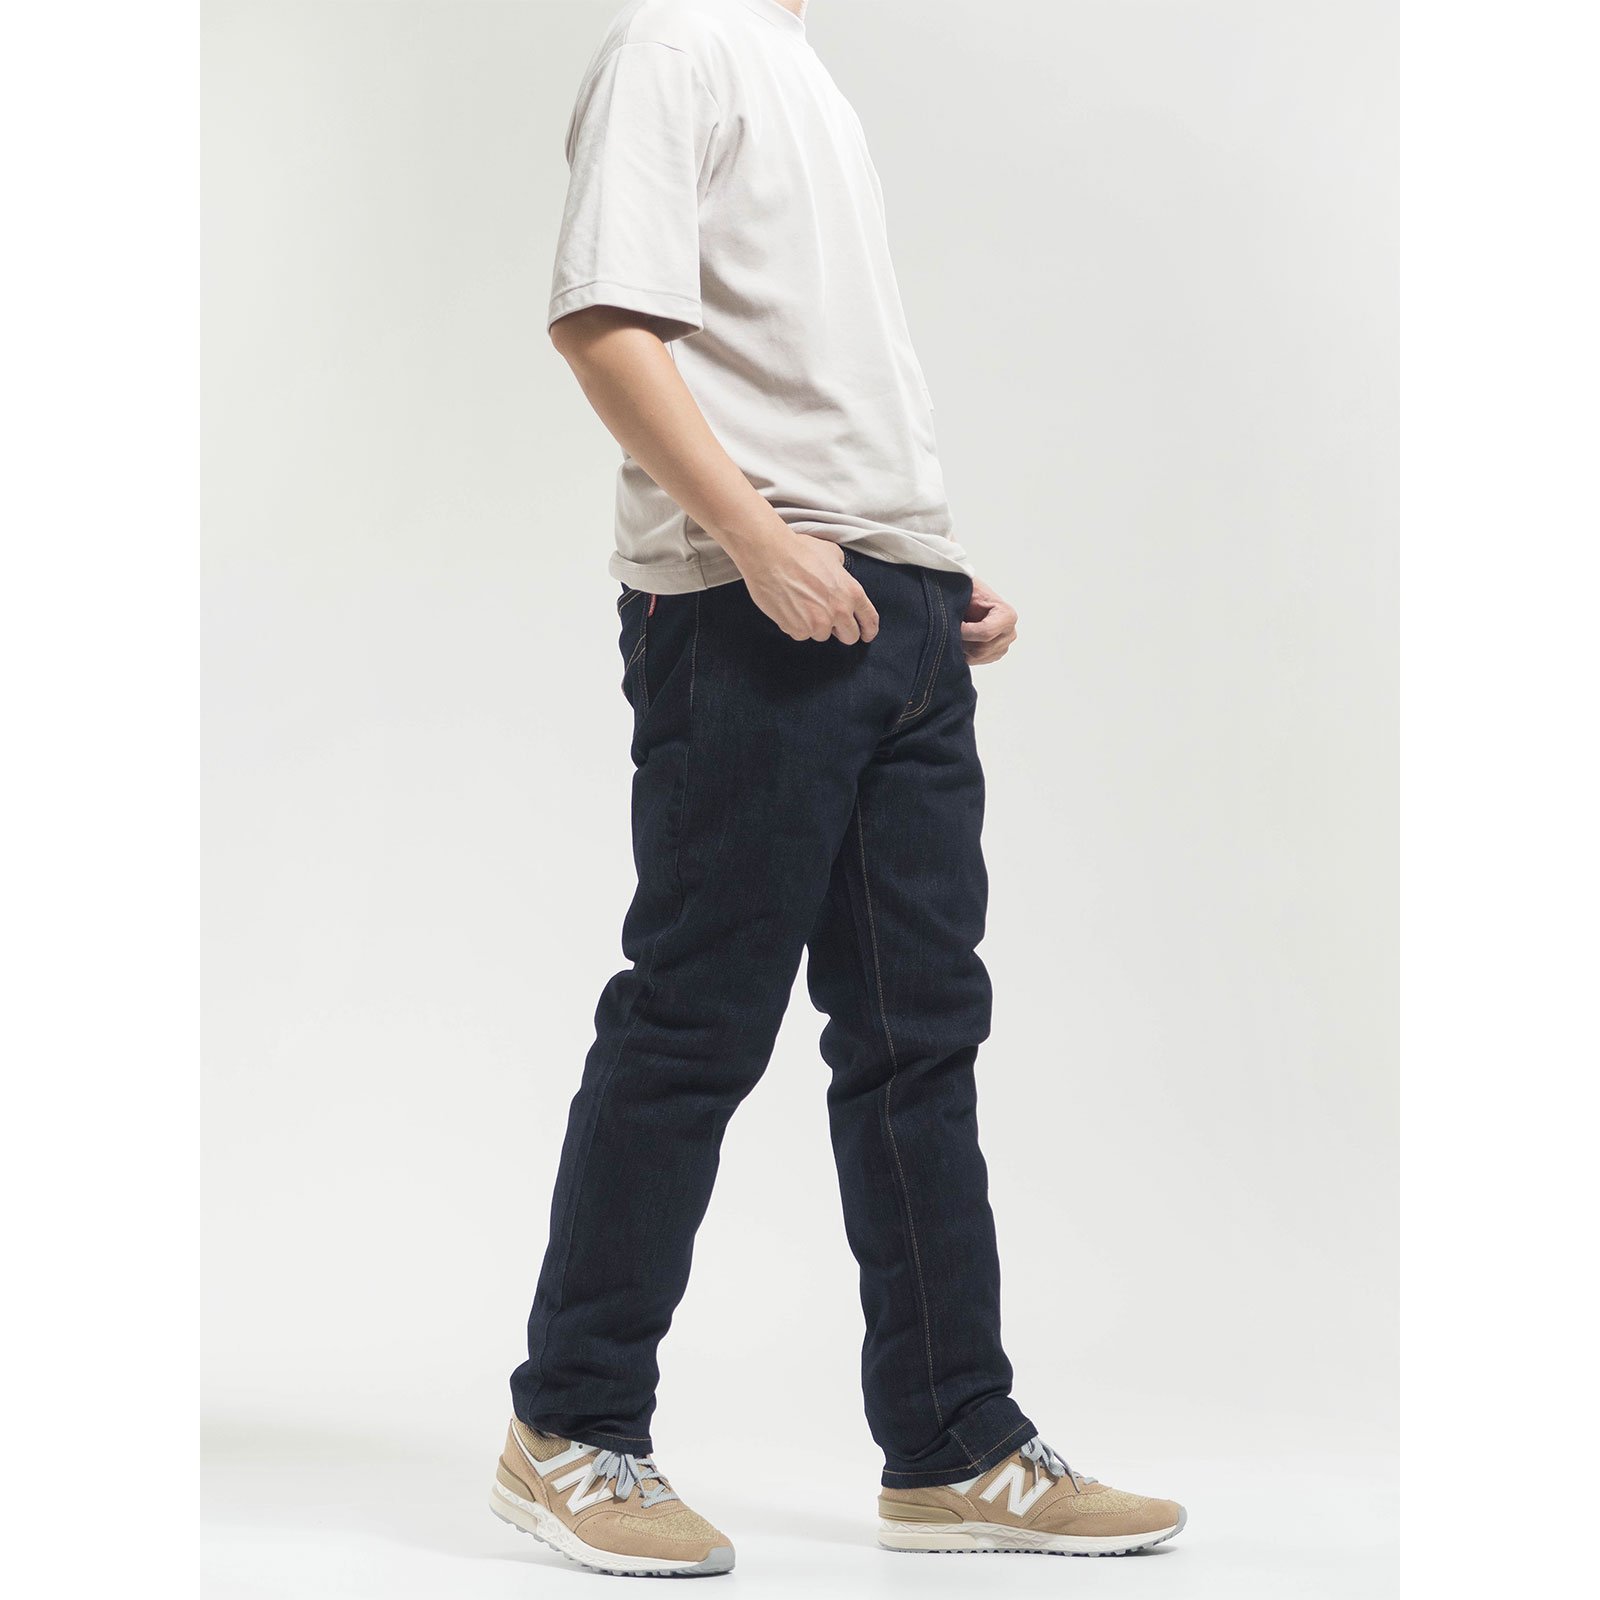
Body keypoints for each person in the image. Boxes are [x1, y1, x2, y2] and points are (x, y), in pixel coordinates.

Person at [489, 0, 1185, 1576]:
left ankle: (953, 1444)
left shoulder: (798, 69)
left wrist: (925, 565)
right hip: (752, 614)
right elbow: (604, 325)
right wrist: (758, 540)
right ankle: (570, 1427)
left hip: (892, 605)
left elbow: (807, 369)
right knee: (695, 1020)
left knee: (919, 1039)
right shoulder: (675, 45)